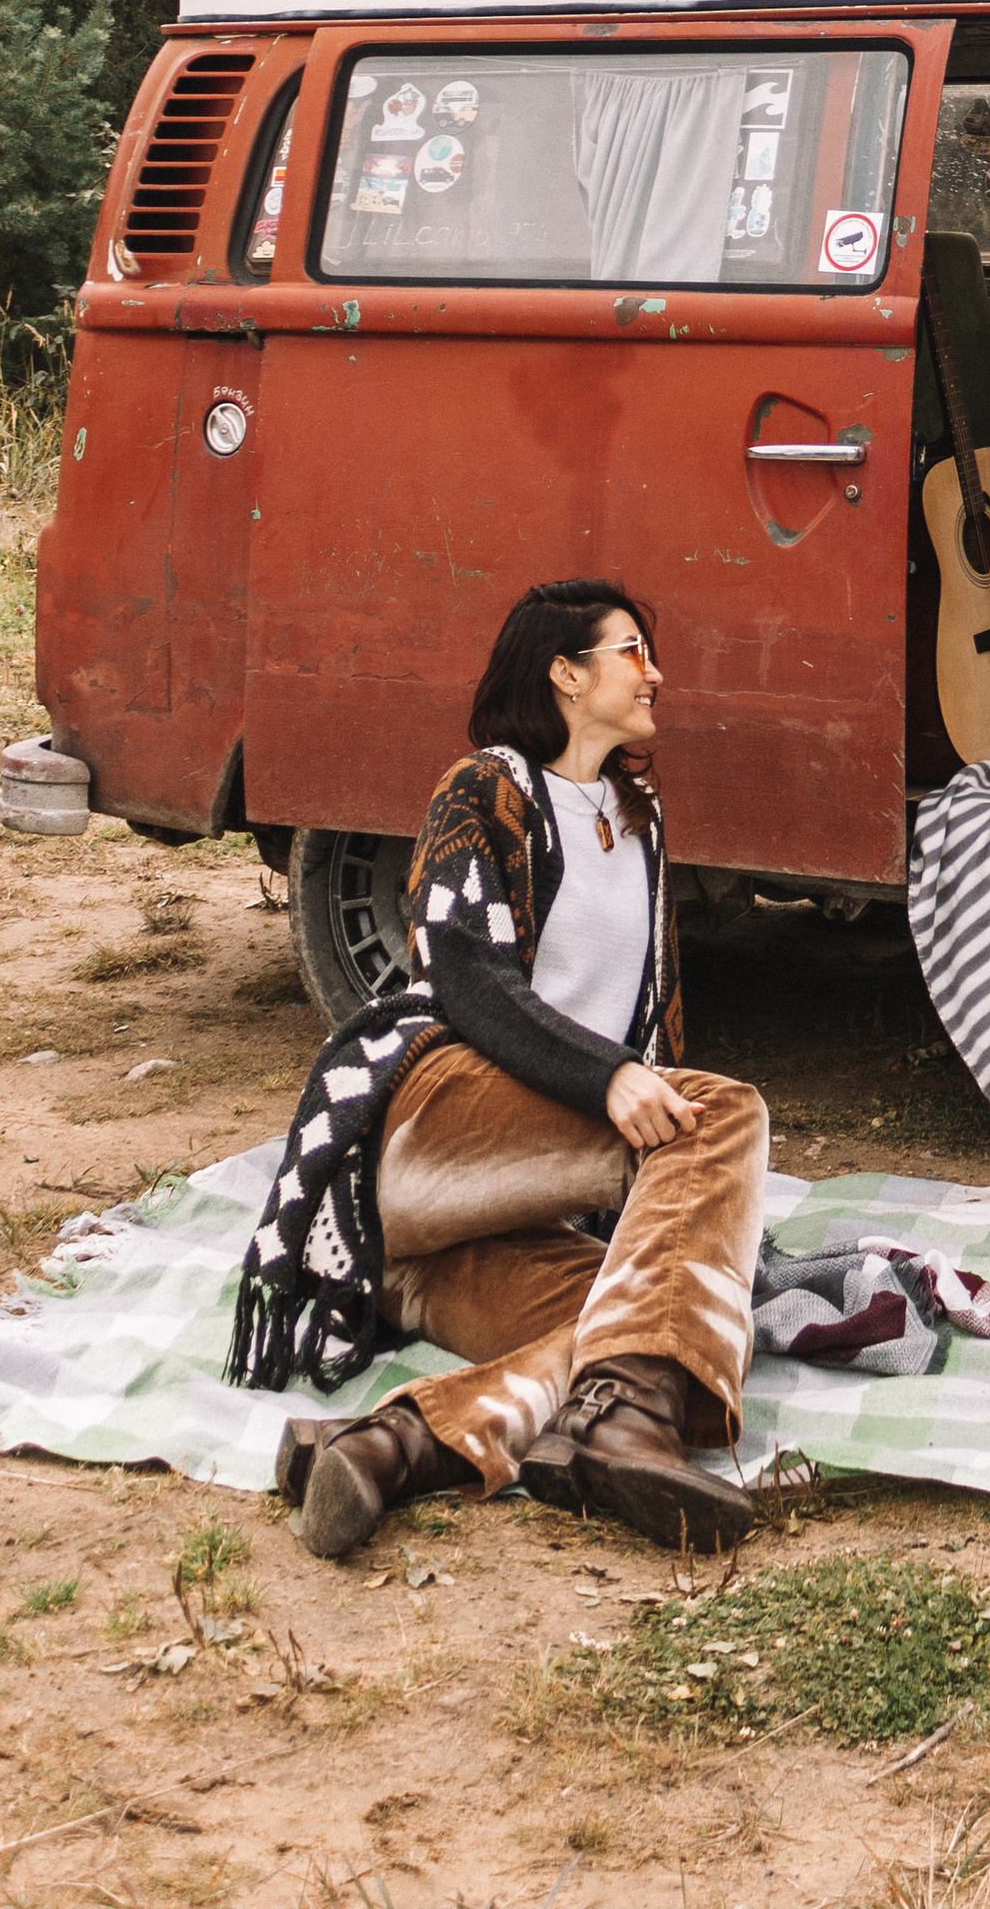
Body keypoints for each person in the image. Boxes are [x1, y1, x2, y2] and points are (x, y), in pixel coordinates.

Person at [229, 579, 769, 1562]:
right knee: (720, 1114)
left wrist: (660, 1215)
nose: (658, 672)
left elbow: (659, 1029)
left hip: (469, 1238)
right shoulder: (486, 787)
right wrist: (608, 1077)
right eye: (631, 650)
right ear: (565, 673)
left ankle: (393, 1447)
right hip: (425, 1138)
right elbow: (465, 977)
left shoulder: (639, 821)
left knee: (642, 1324)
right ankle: (618, 1426)